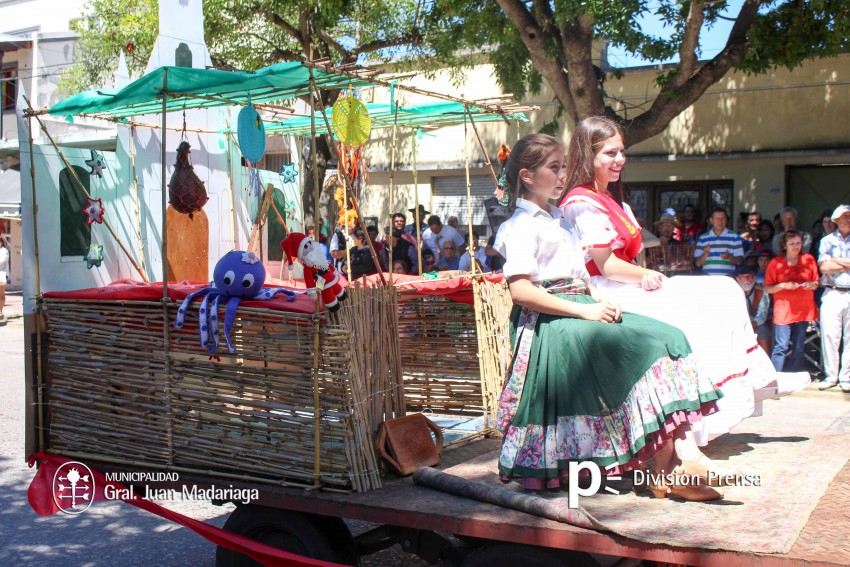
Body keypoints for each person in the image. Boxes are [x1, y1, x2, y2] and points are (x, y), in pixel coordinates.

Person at [496, 133, 726, 500]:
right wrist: (585, 310)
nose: (561, 176)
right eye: (554, 168)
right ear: (526, 175)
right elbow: (522, 292)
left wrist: (598, 298)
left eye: (563, 167)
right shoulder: (519, 226)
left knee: (670, 337)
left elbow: (581, 275)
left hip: (580, 309)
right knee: (640, 347)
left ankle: (671, 463)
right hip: (551, 323)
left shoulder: (560, 220)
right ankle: (671, 467)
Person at [559, 116, 809, 445]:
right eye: (610, 153)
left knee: (727, 288)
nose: (620, 159)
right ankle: (730, 392)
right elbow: (606, 266)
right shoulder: (582, 202)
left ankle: (757, 378)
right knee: (701, 306)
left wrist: (644, 273)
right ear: (587, 154)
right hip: (606, 291)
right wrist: (646, 274)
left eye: (621, 151)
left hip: (624, 282)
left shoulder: (609, 198)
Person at [764, 230, 819, 372]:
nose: (796, 246)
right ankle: (775, 377)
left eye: (798, 243)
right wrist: (783, 285)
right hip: (784, 310)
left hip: (803, 309)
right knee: (781, 346)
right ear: (785, 246)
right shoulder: (776, 263)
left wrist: (812, 285)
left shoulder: (809, 259)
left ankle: (794, 376)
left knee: (799, 346)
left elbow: (816, 282)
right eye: (792, 243)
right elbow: (767, 289)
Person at [818, 205, 850, 392]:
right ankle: (831, 375)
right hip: (832, 290)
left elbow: (830, 264)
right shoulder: (827, 240)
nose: (847, 219)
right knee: (830, 334)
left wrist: (836, 261)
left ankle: (846, 376)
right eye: (844, 216)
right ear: (836, 220)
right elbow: (824, 268)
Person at [694, 208, 744, 276]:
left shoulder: (735, 237)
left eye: (723, 218)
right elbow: (697, 263)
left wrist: (729, 257)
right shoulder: (703, 238)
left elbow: (739, 261)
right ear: (711, 220)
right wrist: (705, 254)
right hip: (707, 278)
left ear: (726, 220)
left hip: (729, 278)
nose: (720, 221)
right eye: (717, 218)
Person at [734, 264, 771, 354]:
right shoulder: (732, 292)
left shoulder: (761, 292)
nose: (748, 280)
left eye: (750, 277)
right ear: (738, 278)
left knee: (763, 331)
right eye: (744, 277)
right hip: (737, 324)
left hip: (755, 323)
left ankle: (765, 362)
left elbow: (762, 314)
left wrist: (753, 323)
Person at [0, 237, 8, 325]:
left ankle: (1, 311)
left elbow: (2, 262)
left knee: (1, 293)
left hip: (1, 274)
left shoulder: (4, 251)